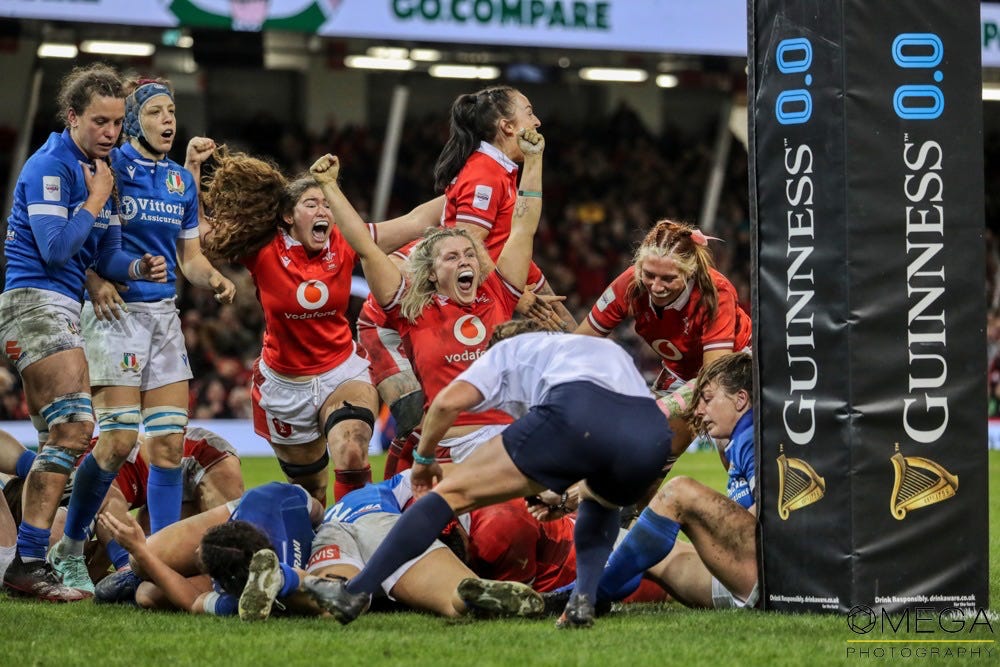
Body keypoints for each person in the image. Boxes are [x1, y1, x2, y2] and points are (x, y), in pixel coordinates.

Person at [308, 320, 672, 629]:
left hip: (576, 414)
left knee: (449, 494)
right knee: (601, 502)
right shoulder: (594, 349)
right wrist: (553, 486)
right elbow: (605, 431)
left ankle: (355, 592)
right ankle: (583, 602)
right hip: (652, 437)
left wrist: (424, 457)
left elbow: (446, 403)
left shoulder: (507, 352)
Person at [0, 63, 165, 601]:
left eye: (117, 122)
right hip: (34, 301)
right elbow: (54, 249)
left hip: (61, 305)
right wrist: (95, 198)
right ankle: (30, 560)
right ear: (72, 117)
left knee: (58, 438)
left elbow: (105, 254)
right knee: (75, 427)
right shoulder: (51, 166)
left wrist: (137, 268)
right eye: (100, 121)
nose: (111, 133)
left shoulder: (101, 171)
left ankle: (27, 559)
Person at [200, 150, 445, 504]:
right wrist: (192, 171)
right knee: (310, 491)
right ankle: (319, 534)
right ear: (288, 216)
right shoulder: (263, 249)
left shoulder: (345, 242)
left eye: (327, 205)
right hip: (285, 386)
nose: (323, 212)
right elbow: (202, 236)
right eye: (311, 204)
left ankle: (356, 527)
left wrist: (471, 185)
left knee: (351, 452)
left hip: (342, 371)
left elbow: (417, 220)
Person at [74, 77, 236, 576]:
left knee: (167, 445)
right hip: (116, 314)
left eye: (172, 112)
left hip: (163, 317)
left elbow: (190, 257)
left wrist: (213, 277)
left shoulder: (180, 182)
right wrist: (97, 277)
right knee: (118, 441)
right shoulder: (108, 168)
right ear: (132, 121)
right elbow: (78, 240)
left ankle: (160, 560)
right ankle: (73, 548)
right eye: (155, 112)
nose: (168, 120)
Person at [308, 126, 544, 467]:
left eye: (469, 254)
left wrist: (533, 161)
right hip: (445, 452)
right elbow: (366, 248)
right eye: (452, 257)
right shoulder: (412, 309)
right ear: (431, 273)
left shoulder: (498, 292)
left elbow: (524, 226)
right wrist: (330, 187)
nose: (465, 261)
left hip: (498, 446)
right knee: (409, 435)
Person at [576, 219, 752, 490]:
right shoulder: (630, 283)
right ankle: (637, 517)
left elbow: (713, 378)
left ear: (690, 271)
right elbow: (578, 345)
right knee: (647, 455)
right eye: (649, 275)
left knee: (734, 455)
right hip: (680, 371)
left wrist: (655, 409)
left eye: (668, 278)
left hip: (732, 371)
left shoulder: (715, 292)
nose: (656, 287)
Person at [595, 352, 757, 610]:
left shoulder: (754, 438)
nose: (699, 410)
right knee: (628, 542)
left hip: (764, 577)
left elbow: (772, 521)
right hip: (747, 577)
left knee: (679, 492)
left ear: (740, 399)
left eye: (707, 399)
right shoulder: (741, 439)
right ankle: (586, 591)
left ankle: (585, 596)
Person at [303, 468, 544, 621]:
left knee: (333, 602)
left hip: (328, 532)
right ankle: (464, 593)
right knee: (454, 597)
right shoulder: (410, 487)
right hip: (378, 522)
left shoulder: (391, 487)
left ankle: (287, 580)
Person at [96, 481, 322, 617]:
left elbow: (194, 602)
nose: (195, 551)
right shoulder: (279, 497)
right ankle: (136, 572)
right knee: (138, 563)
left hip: (264, 552)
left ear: (224, 583)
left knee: (147, 595)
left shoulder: (239, 600)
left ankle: (150, 573)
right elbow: (320, 512)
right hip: (266, 503)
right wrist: (141, 553)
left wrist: (140, 550)